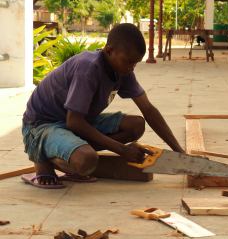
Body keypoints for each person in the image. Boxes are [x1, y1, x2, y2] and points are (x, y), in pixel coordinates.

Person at [21, 23, 184, 189]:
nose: (131, 68)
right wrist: (121, 149)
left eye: (135, 64)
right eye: (128, 62)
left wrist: (181, 153)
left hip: (77, 123)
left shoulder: (123, 71)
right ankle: (44, 160)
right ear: (108, 51)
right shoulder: (88, 68)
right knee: (87, 160)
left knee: (136, 125)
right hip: (41, 126)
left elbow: (148, 109)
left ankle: (73, 150)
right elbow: (74, 122)